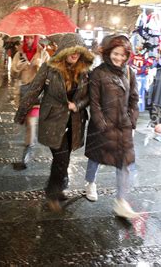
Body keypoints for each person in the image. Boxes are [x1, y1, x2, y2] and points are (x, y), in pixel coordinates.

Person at [15, 33, 93, 211]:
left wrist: (78, 105)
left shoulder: (85, 72)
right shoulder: (49, 68)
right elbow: (34, 90)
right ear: (64, 50)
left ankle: (59, 186)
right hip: (52, 120)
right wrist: (21, 113)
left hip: (74, 122)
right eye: (72, 51)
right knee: (61, 157)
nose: (75, 55)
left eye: (78, 51)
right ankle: (53, 190)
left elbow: (89, 96)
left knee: (63, 158)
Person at [83, 34, 140, 219]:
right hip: (103, 126)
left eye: (123, 55)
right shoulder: (98, 73)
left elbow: (134, 98)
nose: (119, 58)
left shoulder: (130, 72)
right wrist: (102, 124)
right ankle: (90, 183)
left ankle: (121, 202)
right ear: (108, 53)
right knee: (96, 158)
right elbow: (95, 103)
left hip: (123, 126)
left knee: (123, 164)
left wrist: (132, 120)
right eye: (116, 54)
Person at [11, 35, 50, 170]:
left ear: (36, 39)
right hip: (23, 93)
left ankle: (28, 150)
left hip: (37, 95)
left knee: (31, 123)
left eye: (32, 38)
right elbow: (13, 73)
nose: (29, 41)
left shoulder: (44, 54)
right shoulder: (19, 54)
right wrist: (21, 67)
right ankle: (29, 143)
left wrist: (39, 67)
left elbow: (50, 75)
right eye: (27, 38)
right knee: (26, 121)